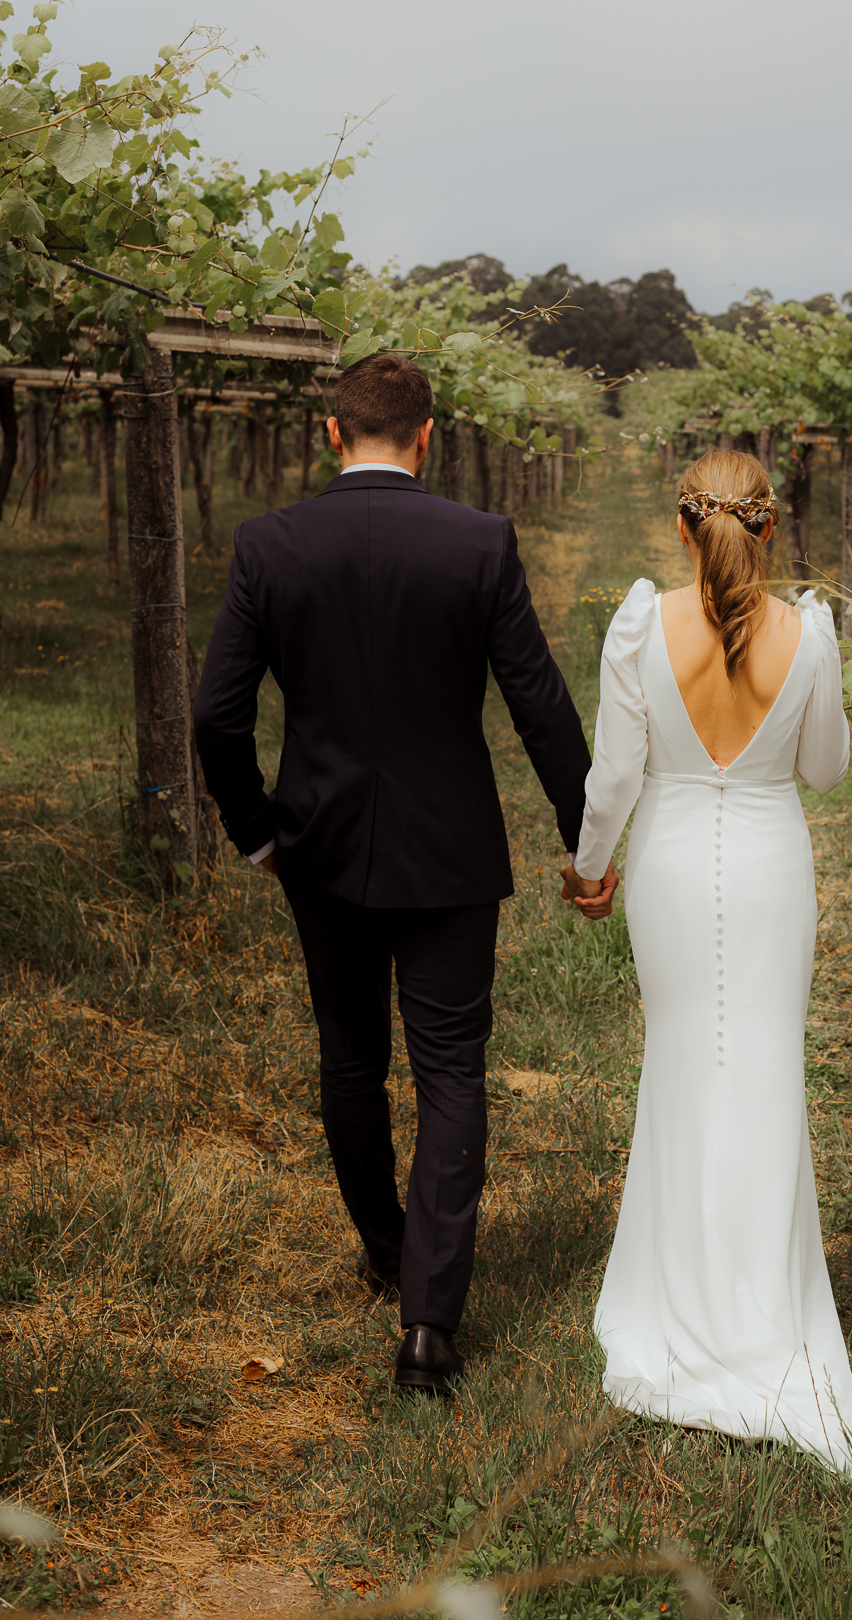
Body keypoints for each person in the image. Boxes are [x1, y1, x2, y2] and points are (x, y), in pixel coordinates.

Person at [194, 352, 603, 1396]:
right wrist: (586, 840)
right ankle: (428, 1324)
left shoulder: (268, 545)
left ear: (333, 434)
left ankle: (384, 1249)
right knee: (451, 1070)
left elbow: (215, 714)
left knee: (347, 1059)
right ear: (428, 435)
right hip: (450, 849)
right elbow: (539, 708)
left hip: (316, 845)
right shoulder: (478, 543)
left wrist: (257, 829)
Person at [562, 448, 852, 1474]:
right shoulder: (810, 635)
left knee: (684, 1065)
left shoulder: (642, 622)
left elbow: (612, 777)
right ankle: (763, 1304)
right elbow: (822, 771)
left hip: (672, 871)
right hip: (772, 868)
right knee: (765, 1071)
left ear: (682, 525)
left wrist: (587, 869)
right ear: (769, 527)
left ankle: (678, 1288)